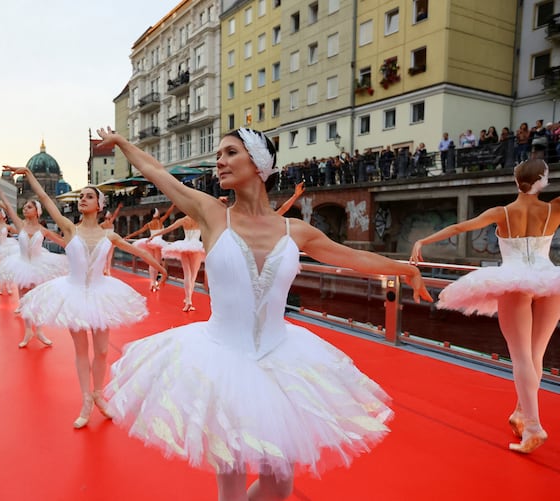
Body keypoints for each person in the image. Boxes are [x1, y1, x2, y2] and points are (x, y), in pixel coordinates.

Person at [96, 126, 431, 500]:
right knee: (231, 483)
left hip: (281, 361)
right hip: (219, 360)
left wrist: (406, 269)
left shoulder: (296, 231)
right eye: (219, 154)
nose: (219, 161)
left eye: (230, 153)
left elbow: (352, 257)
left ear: (258, 163)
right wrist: (125, 144)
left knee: (280, 484)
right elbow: (158, 173)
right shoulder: (210, 213)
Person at [410, 159, 560, 454]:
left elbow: (459, 226)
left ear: (517, 182)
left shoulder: (502, 212)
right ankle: (521, 413)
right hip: (549, 279)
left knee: (520, 357)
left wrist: (423, 240)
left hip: (514, 280)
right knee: (535, 354)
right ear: (543, 180)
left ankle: (533, 426)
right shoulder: (554, 208)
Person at [9, 167, 168, 429]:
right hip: (73, 295)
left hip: (101, 294)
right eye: (81, 196)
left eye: (89, 196)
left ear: (99, 205)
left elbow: (138, 252)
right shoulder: (69, 229)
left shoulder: (109, 235)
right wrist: (28, 174)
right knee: (81, 351)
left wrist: (160, 268)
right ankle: (85, 400)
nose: (82, 199)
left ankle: (98, 394)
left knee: (103, 350)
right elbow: (47, 202)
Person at [0, 187, 67, 348]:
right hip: (22, 265)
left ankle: (40, 330)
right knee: (24, 299)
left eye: (29, 207)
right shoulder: (20, 225)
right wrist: (0, 194)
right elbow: (8, 207)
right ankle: (28, 330)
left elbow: (63, 243)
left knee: (37, 299)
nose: (25, 208)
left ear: (37, 211)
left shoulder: (43, 230)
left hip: (39, 266)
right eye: (25, 207)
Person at [153, 213, 205, 312]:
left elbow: (168, 229)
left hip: (185, 246)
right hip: (196, 246)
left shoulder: (183, 220)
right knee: (193, 276)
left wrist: (154, 235)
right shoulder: (200, 218)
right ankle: (189, 300)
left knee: (187, 274)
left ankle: (188, 300)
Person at [124, 204, 175, 291]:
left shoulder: (149, 224)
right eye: (157, 212)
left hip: (151, 242)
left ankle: (152, 282)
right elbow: (168, 213)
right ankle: (154, 282)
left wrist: (128, 236)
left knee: (152, 263)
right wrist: (173, 205)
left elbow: (139, 231)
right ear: (155, 214)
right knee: (157, 263)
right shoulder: (160, 221)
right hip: (158, 243)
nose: (159, 213)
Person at [100, 202, 123, 276]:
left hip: (105, 241)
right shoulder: (109, 222)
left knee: (105, 256)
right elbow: (115, 214)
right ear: (107, 216)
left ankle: (104, 270)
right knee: (109, 257)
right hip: (110, 241)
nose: (111, 215)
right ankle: (107, 270)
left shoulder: (101, 224)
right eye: (109, 214)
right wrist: (118, 208)